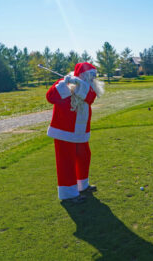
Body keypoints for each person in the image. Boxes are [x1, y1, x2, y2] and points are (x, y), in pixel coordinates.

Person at [46, 62, 104, 203]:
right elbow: (50, 97)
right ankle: (69, 194)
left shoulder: (89, 87)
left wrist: (79, 84)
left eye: (93, 76)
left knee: (85, 156)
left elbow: (89, 98)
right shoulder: (64, 82)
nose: (92, 78)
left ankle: (82, 186)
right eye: (89, 75)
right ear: (83, 74)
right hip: (64, 131)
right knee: (66, 161)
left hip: (80, 131)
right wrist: (65, 85)